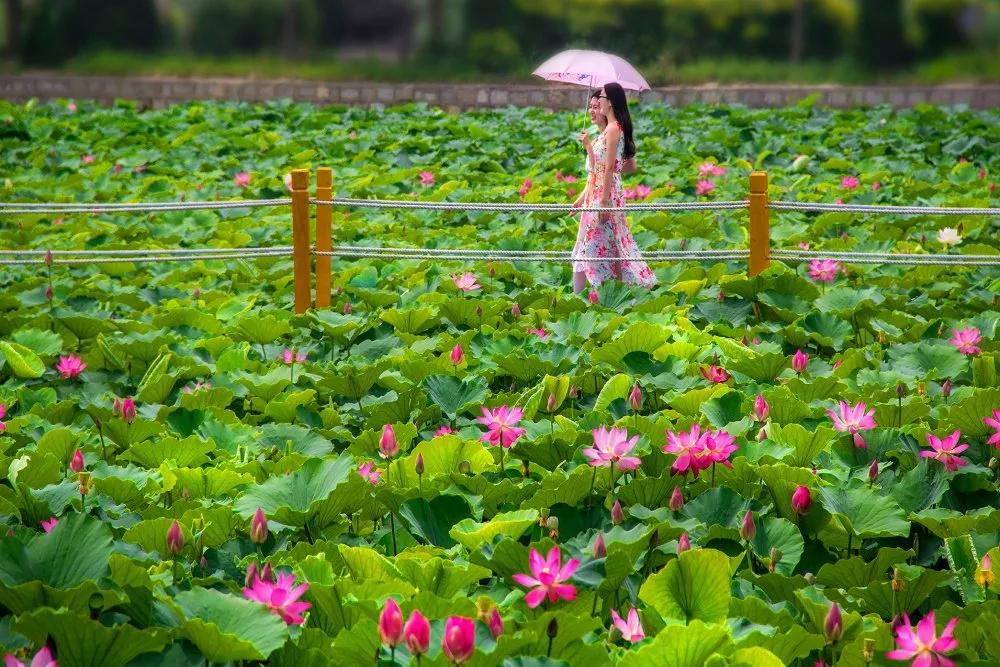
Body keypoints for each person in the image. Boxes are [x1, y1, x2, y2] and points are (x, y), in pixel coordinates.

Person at [571, 82, 656, 293]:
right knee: (607, 243)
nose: (598, 101)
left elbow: (609, 167)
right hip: (599, 190)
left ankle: (612, 292)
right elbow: (599, 168)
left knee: (601, 243)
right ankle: (602, 293)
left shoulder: (613, 128)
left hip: (605, 193)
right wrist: (583, 197)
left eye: (601, 98)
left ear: (610, 102)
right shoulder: (609, 129)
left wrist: (604, 200)